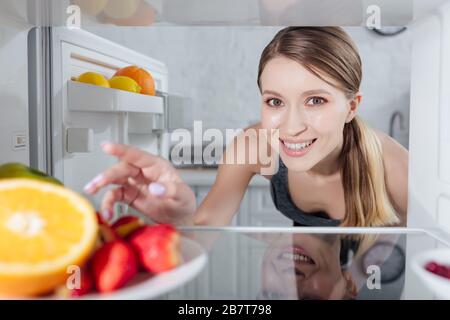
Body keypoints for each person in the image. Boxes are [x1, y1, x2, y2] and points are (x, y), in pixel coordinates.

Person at [83, 27, 408, 227]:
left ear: (351, 106)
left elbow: (430, 253)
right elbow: (204, 228)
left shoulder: (393, 165)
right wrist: (180, 215)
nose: (291, 127)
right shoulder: (255, 145)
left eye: (315, 101)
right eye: (275, 102)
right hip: (305, 275)